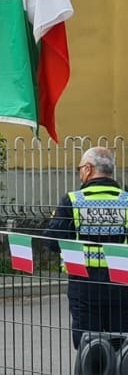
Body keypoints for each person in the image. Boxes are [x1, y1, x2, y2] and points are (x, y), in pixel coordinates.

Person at [44, 145, 128, 348]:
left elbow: (52, 241)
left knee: (89, 346)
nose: (80, 172)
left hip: (84, 285)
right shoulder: (126, 202)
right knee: (122, 345)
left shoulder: (72, 201)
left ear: (88, 169)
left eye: (80, 167)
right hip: (122, 286)